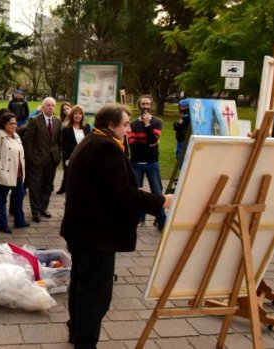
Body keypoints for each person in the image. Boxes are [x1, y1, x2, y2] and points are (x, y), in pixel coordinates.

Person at [60, 104, 173, 349]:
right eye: (124, 124)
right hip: (95, 235)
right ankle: (85, 342)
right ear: (111, 125)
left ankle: (77, 333)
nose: (127, 129)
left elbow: (109, 187)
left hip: (83, 230)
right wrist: (161, 200)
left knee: (81, 287)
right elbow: (122, 194)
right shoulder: (105, 147)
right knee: (96, 297)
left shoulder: (93, 141)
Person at [127, 95, 167, 231]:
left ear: (151, 105)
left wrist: (147, 125)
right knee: (138, 193)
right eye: (143, 104)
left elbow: (152, 139)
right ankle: (139, 218)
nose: (145, 106)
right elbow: (132, 145)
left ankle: (162, 221)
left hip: (152, 163)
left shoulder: (157, 122)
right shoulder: (132, 124)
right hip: (136, 163)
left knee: (157, 192)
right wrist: (151, 143)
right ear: (139, 105)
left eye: (147, 104)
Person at [0, 112, 29, 234]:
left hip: (18, 173)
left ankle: (19, 220)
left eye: (15, 123)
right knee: (2, 200)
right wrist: (0, 169)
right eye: (11, 123)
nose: (14, 126)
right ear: (4, 124)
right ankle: (2, 224)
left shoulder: (16, 136)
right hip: (5, 173)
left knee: (19, 197)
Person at [23, 97, 61, 223]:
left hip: (52, 159)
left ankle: (44, 208)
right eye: (48, 105)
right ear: (43, 107)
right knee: (35, 187)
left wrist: (58, 155)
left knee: (48, 186)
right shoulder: (34, 120)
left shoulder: (57, 121)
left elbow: (58, 141)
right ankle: (35, 212)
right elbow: (28, 140)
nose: (51, 107)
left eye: (53, 105)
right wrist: (30, 157)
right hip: (36, 159)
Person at [57, 105, 91, 195]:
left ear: (82, 116)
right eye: (76, 114)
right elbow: (65, 145)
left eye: (80, 114)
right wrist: (79, 148)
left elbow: (90, 142)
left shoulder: (87, 127)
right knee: (70, 178)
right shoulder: (66, 129)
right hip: (71, 157)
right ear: (72, 115)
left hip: (84, 158)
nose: (78, 116)